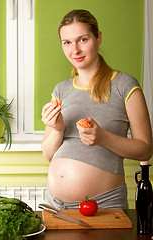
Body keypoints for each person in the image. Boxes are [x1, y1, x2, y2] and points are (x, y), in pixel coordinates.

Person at [41, 9, 152, 209]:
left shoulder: (124, 85)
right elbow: (49, 154)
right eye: (67, 42)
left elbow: (145, 149)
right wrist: (57, 129)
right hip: (55, 205)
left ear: (98, 37)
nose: (74, 50)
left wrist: (103, 137)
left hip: (103, 205)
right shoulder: (61, 89)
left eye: (82, 39)